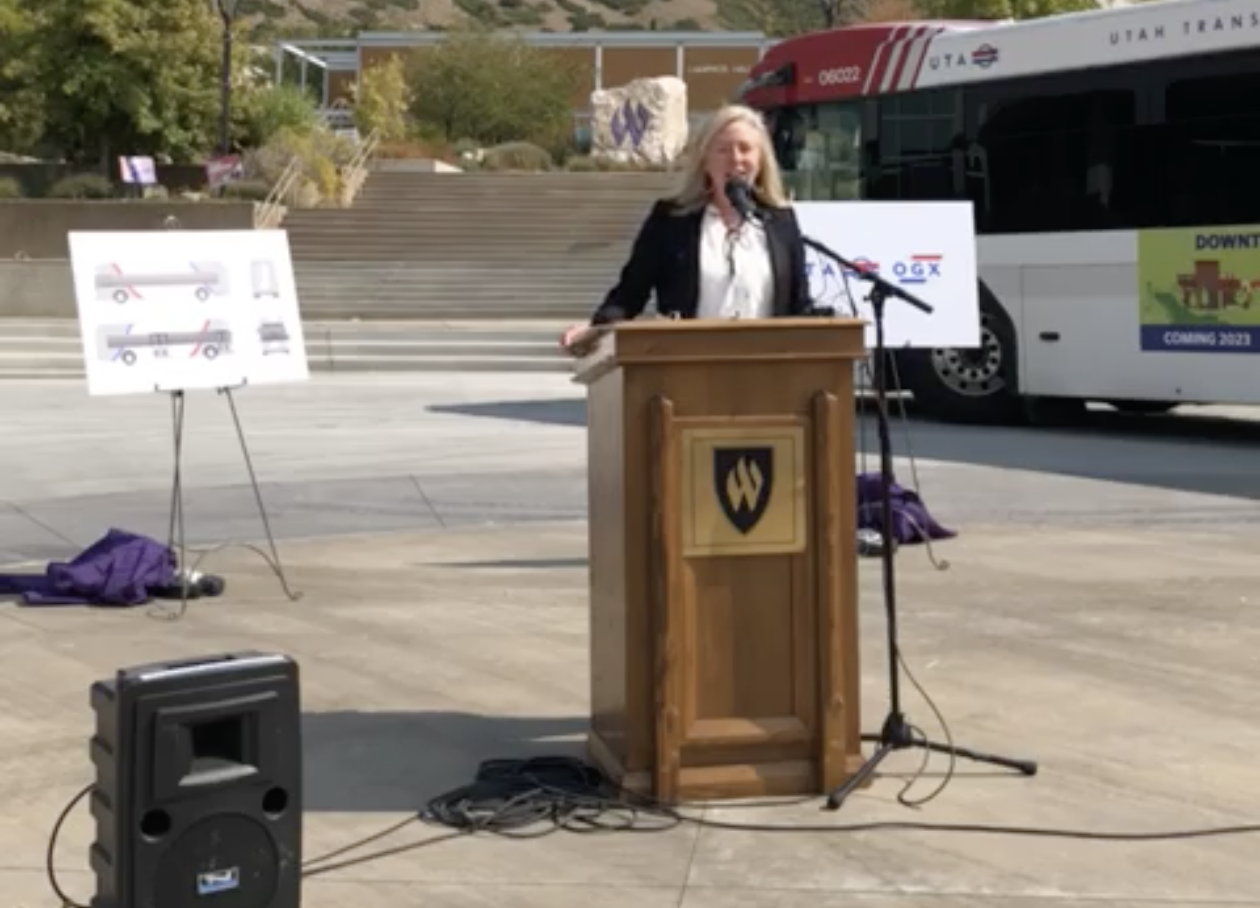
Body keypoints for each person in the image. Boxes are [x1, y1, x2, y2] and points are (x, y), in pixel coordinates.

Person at [560, 103, 816, 351]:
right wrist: (597, 328)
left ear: (760, 159)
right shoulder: (671, 219)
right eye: (723, 149)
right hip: (690, 370)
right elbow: (630, 293)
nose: (735, 159)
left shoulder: (780, 222)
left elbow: (798, 303)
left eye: (745, 148)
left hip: (769, 371)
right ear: (705, 159)